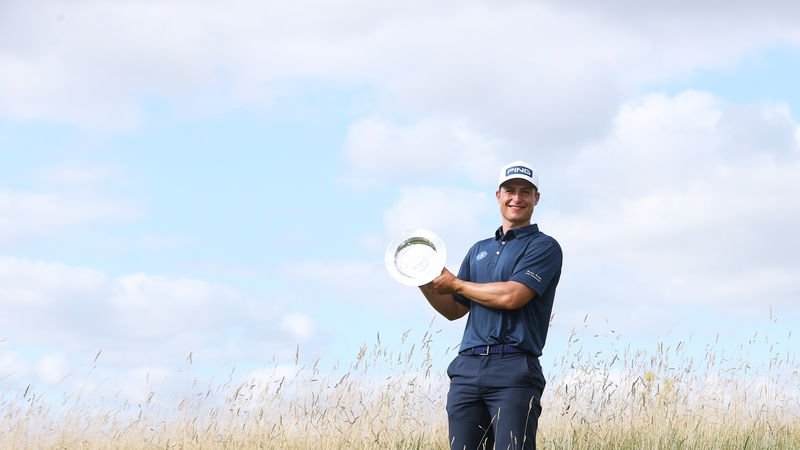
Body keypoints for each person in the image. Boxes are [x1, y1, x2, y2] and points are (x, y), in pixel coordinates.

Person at [420, 160, 563, 450]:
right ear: (498, 195)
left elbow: (512, 296)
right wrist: (421, 276)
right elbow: (454, 309)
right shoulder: (478, 250)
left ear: (536, 198)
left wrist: (456, 284)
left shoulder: (543, 246)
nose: (517, 198)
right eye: (510, 190)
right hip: (467, 367)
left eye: (525, 191)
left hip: (514, 367)